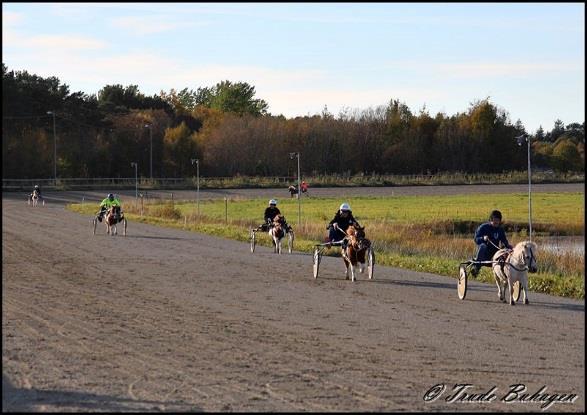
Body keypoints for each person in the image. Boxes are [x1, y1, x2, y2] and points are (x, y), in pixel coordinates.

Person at [471, 210, 513, 277]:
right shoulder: (483, 227)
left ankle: (508, 270)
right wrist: (483, 238)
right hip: (484, 253)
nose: (496, 222)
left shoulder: (500, 230)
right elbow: (476, 239)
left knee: (508, 249)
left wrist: (508, 247)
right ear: (491, 219)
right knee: (483, 246)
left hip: (495, 252)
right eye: (495, 220)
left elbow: (504, 241)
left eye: (498, 220)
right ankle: (476, 268)